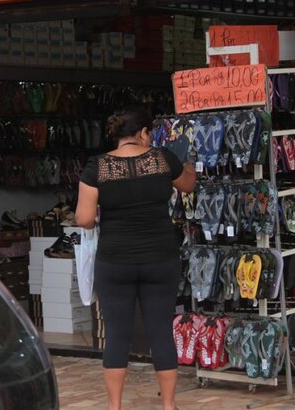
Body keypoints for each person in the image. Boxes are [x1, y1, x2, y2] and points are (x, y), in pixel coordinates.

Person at [75, 105, 195, 410]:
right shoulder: (162, 159)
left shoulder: (96, 167)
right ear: (143, 133)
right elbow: (188, 185)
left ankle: (114, 406)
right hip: (160, 258)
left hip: (115, 261)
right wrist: (188, 161)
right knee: (160, 332)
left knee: (116, 334)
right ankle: (168, 405)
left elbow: (84, 219)